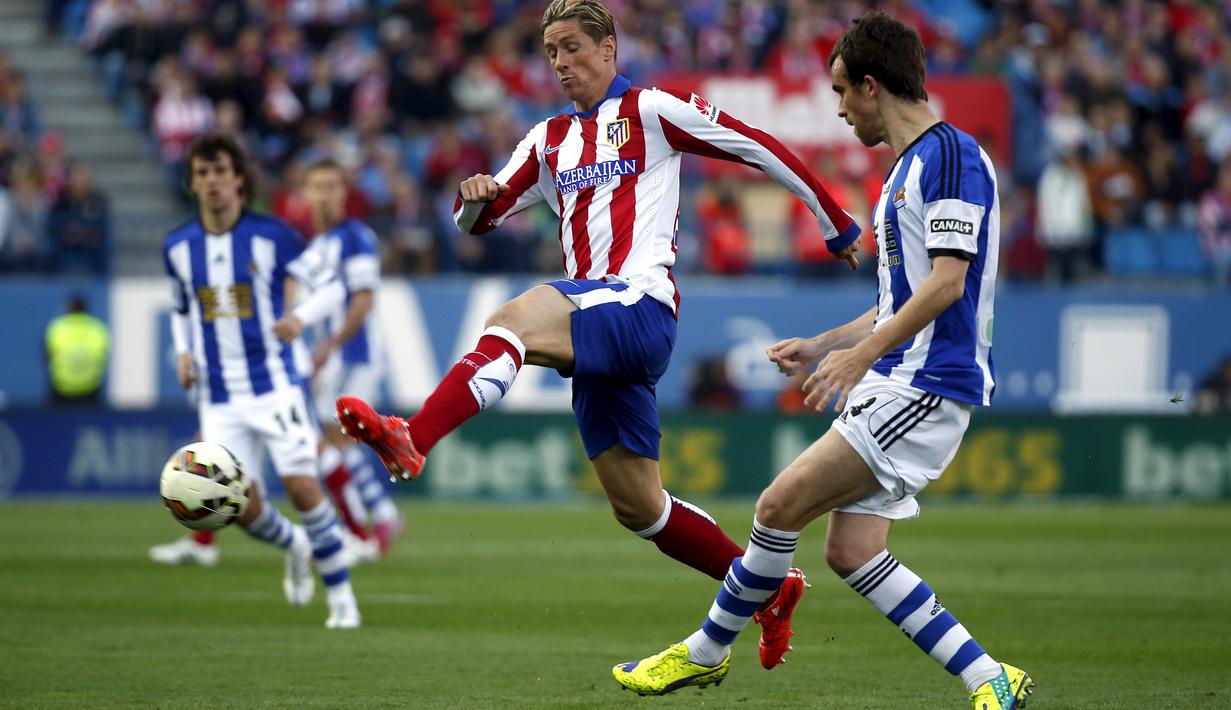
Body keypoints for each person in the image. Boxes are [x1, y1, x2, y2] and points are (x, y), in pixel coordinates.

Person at [337, 0, 860, 669]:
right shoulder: (547, 139)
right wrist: (469, 201)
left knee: (514, 319)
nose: (560, 63)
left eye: (572, 48)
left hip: (638, 304)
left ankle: (414, 437)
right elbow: (479, 222)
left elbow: (753, 145)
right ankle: (767, 590)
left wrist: (833, 218)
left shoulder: (651, 111)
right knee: (639, 508)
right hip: (597, 327)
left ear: (609, 48)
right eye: (550, 52)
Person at [611, 13, 1035, 710]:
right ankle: (988, 676)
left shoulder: (948, 155)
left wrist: (858, 360)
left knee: (777, 506)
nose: (836, 108)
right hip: (902, 377)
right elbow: (897, 297)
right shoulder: (908, 169)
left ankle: (706, 652)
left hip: (925, 383)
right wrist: (825, 346)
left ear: (872, 86)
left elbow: (946, 284)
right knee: (851, 552)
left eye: (841, 91)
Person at [148, 131, 360, 628]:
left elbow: (332, 287)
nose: (213, 181)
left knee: (304, 489)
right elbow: (182, 307)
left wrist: (300, 319)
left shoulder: (272, 235)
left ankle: (342, 601)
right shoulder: (178, 246)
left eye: (221, 170)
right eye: (202, 173)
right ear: (193, 183)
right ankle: (295, 544)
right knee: (233, 506)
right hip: (218, 398)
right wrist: (182, 352)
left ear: (239, 180)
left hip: (275, 387)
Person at [301, 158, 404, 557]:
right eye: (317, 186)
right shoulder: (316, 245)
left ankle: (370, 520)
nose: (325, 194)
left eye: (332, 185)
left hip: (354, 351)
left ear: (344, 193)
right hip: (337, 354)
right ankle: (370, 519)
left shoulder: (355, 237)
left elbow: (362, 301)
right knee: (335, 441)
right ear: (306, 194)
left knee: (332, 439)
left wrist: (330, 347)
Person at [44, 293, 109, 405]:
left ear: (67, 308)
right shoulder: (98, 329)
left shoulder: (56, 328)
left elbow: (46, 356)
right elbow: (103, 357)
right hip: (90, 389)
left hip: (61, 389)